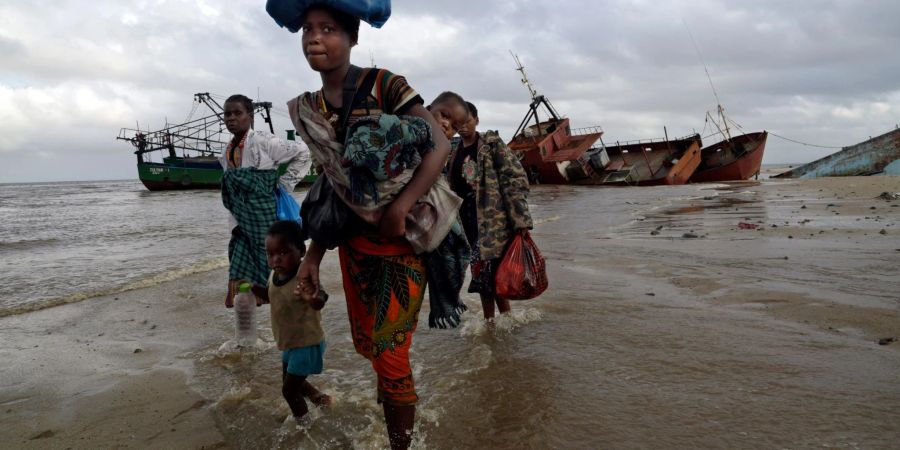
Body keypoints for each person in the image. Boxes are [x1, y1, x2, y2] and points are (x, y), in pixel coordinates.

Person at [282, 5, 466, 449]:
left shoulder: (384, 83)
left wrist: (399, 207)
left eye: (328, 29)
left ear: (352, 39)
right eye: (308, 29)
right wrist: (312, 257)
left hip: (404, 241)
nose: (315, 38)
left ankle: (401, 444)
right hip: (355, 247)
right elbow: (332, 187)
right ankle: (392, 419)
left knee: (389, 350)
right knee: (372, 348)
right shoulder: (311, 107)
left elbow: (439, 145)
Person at [220, 94, 312, 308]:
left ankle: (289, 303)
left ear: (250, 116)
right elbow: (232, 193)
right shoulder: (226, 150)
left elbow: (303, 152)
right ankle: (255, 318)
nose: (231, 118)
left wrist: (285, 184)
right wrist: (234, 224)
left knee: (271, 261)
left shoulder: (263, 140)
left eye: (237, 113)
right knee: (241, 263)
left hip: (264, 214)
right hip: (242, 220)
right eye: (227, 114)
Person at [447, 101, 533, 321]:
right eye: (458, 122)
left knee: (487, 275)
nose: (463, 126)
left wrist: (520, 220)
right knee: (487, 276)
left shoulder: (491, 145)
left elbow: (515, 179)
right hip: (468, 222)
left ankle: (494, 325)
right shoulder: (455, 151)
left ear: (477, 120)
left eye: (467, 120)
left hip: (493, 223)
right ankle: (501, 323)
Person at [252, 221, 333, 424]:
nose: (275, 259)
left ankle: (304, 424)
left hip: (307, 343)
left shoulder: (302, 278)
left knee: (288, 390)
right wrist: (254, 289)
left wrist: (313, 298)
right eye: (270, 254)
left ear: (302, 251)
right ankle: (319, 398)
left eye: (283, 253)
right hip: (290, 341)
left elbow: (320, 298)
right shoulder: (274, 275)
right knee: (290, 381)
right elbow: (274, 295)